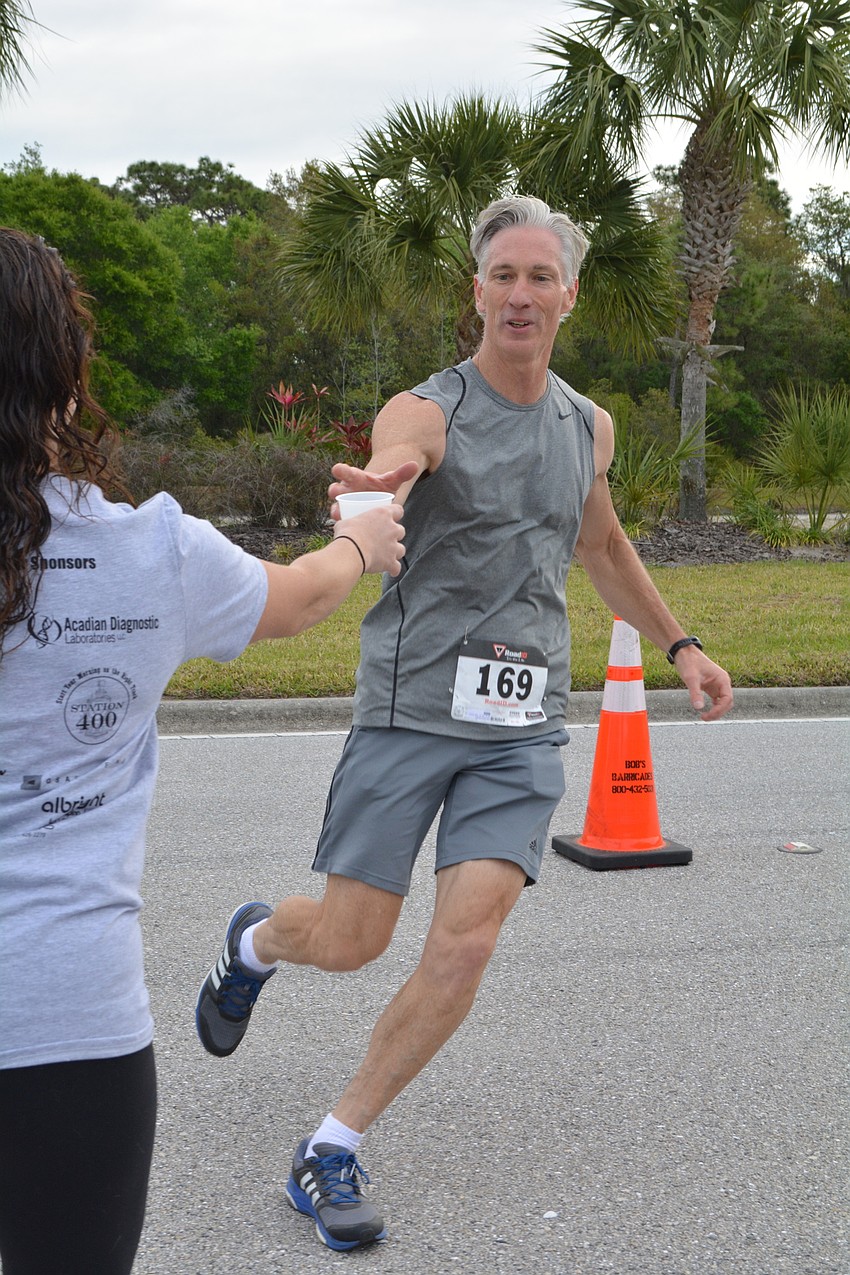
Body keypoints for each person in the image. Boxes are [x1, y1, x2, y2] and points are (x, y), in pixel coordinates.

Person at [195, 195, 734, 1253]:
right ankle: (256, 941)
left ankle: (330, 1148)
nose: (521, 294)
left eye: (542, 276)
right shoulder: (428, 410)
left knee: (468, 940)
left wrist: (680, 645)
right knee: (351, 941)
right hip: (411, 709)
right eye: (504, 276)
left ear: (568, 295)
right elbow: (394, 463)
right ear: (475, 291)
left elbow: (604, 545)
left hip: (522, 719)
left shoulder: (589, 425)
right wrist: (377, 491)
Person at [0, 226, 408, 1275]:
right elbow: (308, 591)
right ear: (70, 371)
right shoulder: (150, 556)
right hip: (63, 1022)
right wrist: (363, 533)